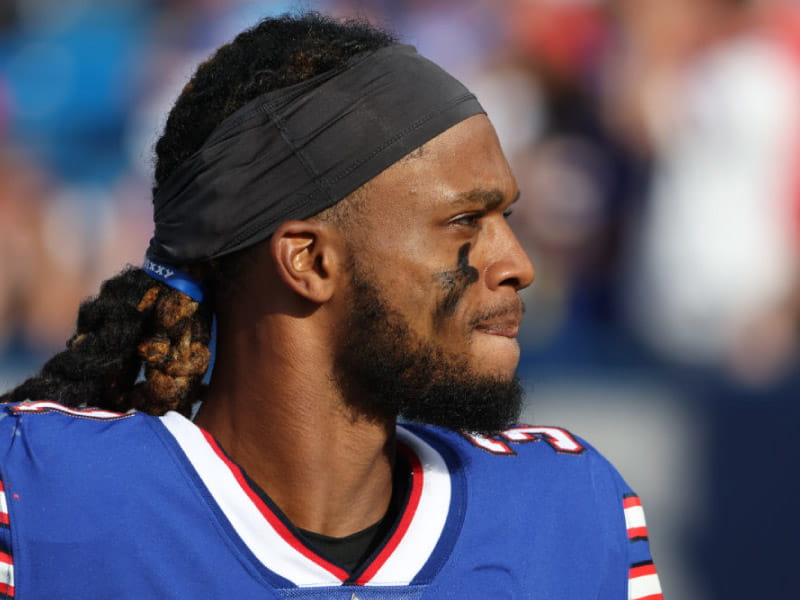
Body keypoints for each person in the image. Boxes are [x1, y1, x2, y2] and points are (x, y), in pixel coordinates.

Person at [0, 13, 662, 599]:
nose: (518, 264)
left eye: (505, 216)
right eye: (465, 220)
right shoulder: (39, 499)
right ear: (310, 261)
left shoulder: (568, 514)